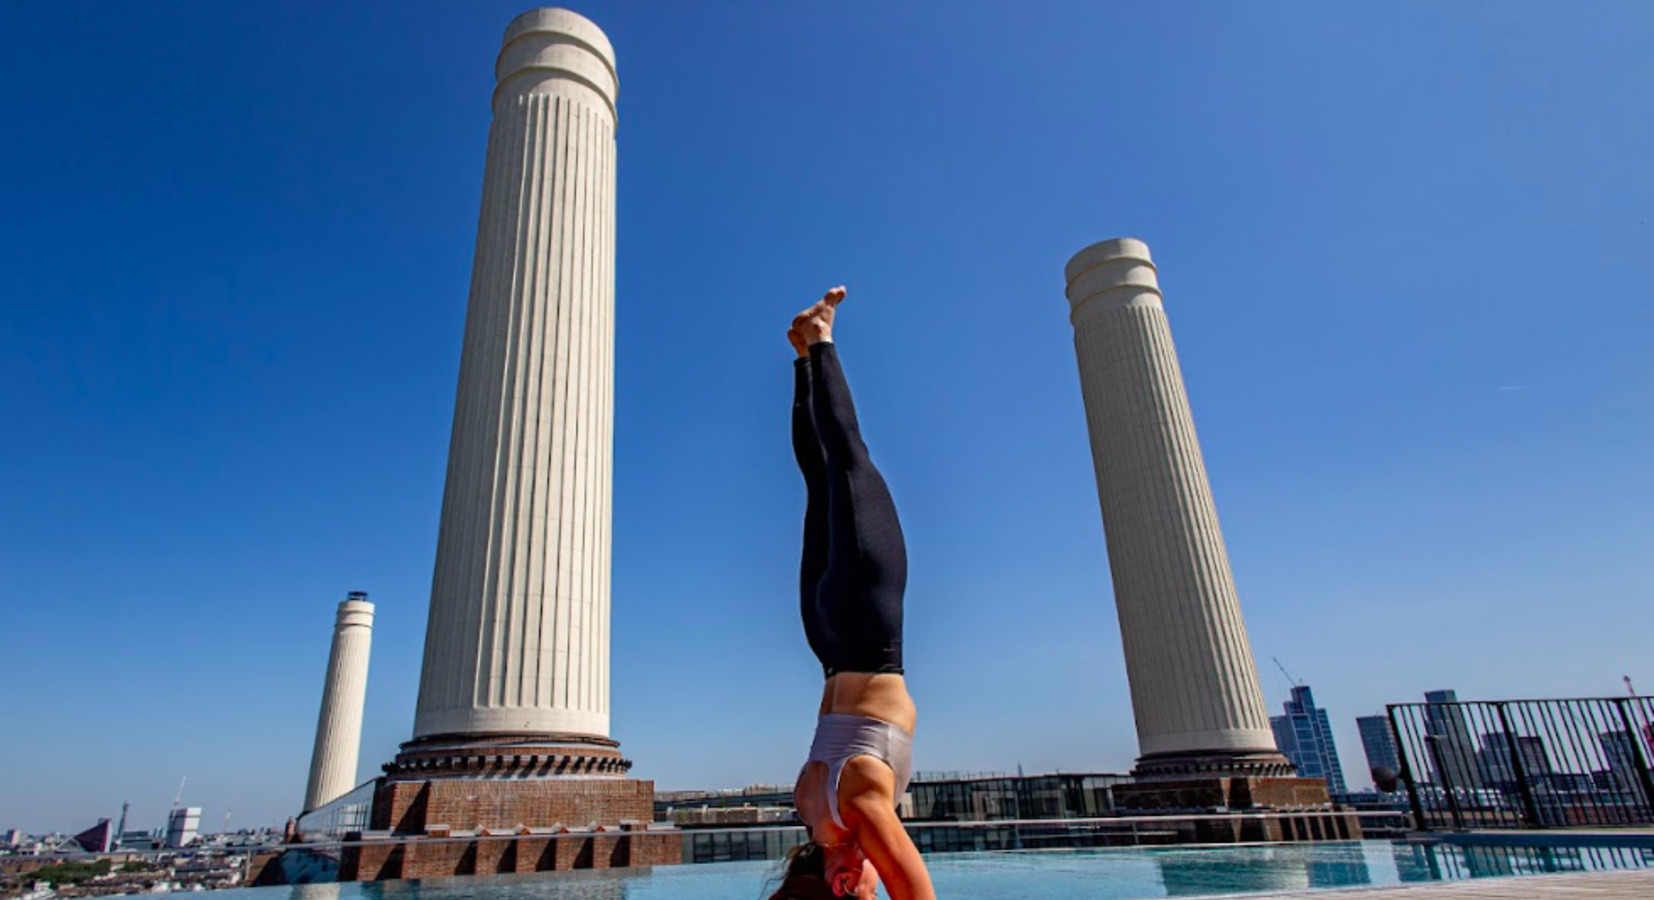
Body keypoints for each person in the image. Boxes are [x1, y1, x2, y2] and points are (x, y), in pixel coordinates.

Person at [770, 287, 936, 900]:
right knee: (820, 482)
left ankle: (821, 339)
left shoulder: (862, 812)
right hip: (825, 636)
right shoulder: (810, 804)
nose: (861, 886)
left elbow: (918, 897)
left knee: (850, 465)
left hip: (866, 630)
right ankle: (800, 357)